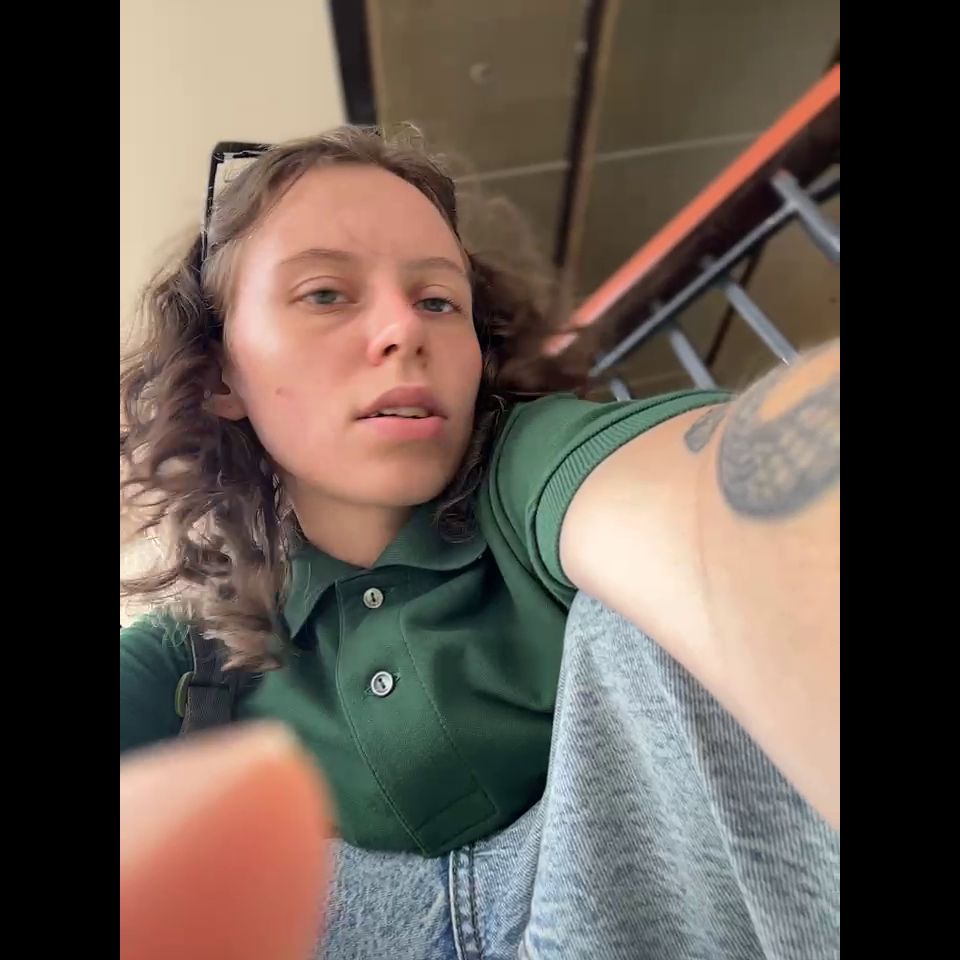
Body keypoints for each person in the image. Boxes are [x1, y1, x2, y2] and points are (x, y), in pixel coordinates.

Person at [120, 126, 839, 959]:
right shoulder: (189, 654)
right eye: (325, 294)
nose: (403, 328)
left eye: (437, 300)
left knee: (652, 614)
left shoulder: (535, 465)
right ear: (221, 376)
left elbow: (712, 501)